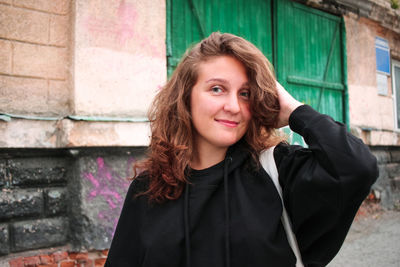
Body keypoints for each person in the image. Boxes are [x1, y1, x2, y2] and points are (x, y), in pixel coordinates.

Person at [105, 32, 378, 267]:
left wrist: (295, 111)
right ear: (185, 98)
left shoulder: (277, 172)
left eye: (245, 93)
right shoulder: (150, 187)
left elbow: (357, 167)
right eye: (217, 89)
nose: (234, 107)